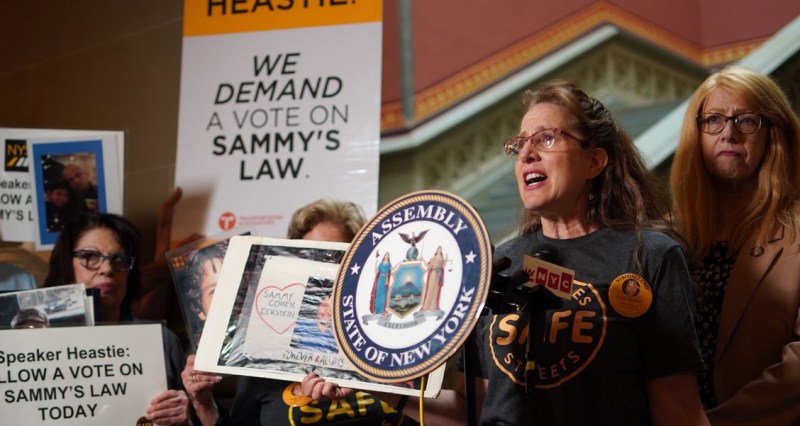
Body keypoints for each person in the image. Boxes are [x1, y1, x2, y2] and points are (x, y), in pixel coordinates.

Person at [302, 81, 708, 425]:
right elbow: (472, 409)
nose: (527, 154)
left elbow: (679, 411)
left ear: (595, 160)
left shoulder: (650, 255)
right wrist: (374, 385)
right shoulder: (495, 262)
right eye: (520, 144)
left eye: (547, 138)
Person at [182, 199, 416, 425]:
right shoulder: (262, 351)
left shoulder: (389, 346)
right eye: (309, 255)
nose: (323, 267)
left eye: (336, 257)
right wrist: (203, 404)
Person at [670, 66, 800, 425]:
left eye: (746, 120)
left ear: (774, 134)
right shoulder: (665, 236)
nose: (728, 133)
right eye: (713, 119)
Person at [43, 212, 189, 425]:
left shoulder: (162, 340)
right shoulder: (35, 344)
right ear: (66, 265)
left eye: (118, 259)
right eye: (90, 257)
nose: (107, 269)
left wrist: (187, 416)